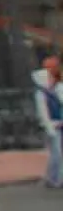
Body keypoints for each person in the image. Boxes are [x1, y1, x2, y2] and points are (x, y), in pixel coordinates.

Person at [35, 56, 63, 188]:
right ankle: (52, 179)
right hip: (53, 127)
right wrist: (51, 128)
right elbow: (44, 114)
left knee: (59, 154)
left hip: (59, 125)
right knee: (56, 154)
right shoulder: (41, 94)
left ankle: (58, 178)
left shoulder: (55, 91)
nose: (52, 79)